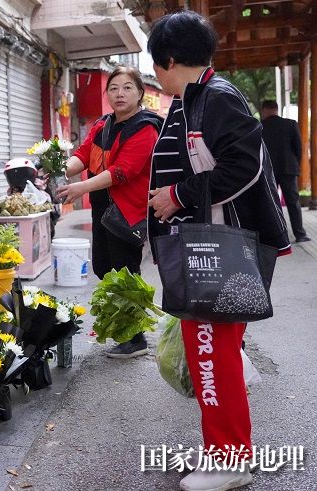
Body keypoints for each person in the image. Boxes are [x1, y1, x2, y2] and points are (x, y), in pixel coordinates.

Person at [146, 11, 291, 491]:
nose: (155, 77)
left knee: (211, 355)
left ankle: (230, 461)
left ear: (168, 59)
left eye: (155, 66)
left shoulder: (216, 97)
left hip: (218, 253)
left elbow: (244, 165)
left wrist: (179, 196)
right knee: (216, 352)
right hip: (209, 249)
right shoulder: (199, 96)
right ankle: (227, 449)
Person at [56, 65, 163, 359]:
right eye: (114, 88)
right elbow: (83, 154)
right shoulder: (103, 125)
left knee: (125, 272)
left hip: (127, 209)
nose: (120, 93)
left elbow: (122, 171)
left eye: (128, 87)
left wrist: (81, 188)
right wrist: (59, 170)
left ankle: (136, 338)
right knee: (104, 268)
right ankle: (122, 329)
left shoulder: (146, 128)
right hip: (104, 208)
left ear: (141, 93)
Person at [260, 100, 311, 243]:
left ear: (264, 110)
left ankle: (274, 236)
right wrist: (295, 165)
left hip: (268, 171)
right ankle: (300, 234)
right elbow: (298, 149)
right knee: (293, 203)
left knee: (270, 203)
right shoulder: (290, 124)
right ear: (276, 110)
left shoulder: (259, 127)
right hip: (289, 169)